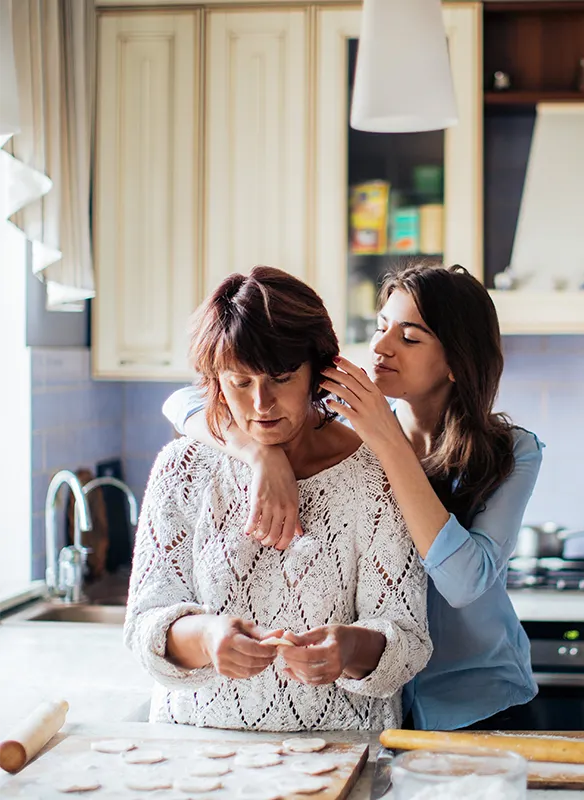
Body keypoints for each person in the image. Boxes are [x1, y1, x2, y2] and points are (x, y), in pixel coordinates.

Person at [163, 263, 544, 731]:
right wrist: (260, 454)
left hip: (475, 696)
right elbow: (185, 401)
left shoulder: (512, 450)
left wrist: (387, 442)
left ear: (455, 361)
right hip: (388, 702)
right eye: (381, 327)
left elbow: (465, 583)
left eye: (409, 337)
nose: (380, 347)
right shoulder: (348, 434)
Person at [125, 266, 431, 732]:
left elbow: (407, 639)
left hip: (342, 750)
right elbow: (145, 624)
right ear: (215, 380)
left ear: (318, 371)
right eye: (240, 383)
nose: (261, 404)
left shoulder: (376, 476)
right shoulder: (181, 469)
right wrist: (207, 638)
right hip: (195, 751)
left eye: (282, 378)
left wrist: (347, 650)